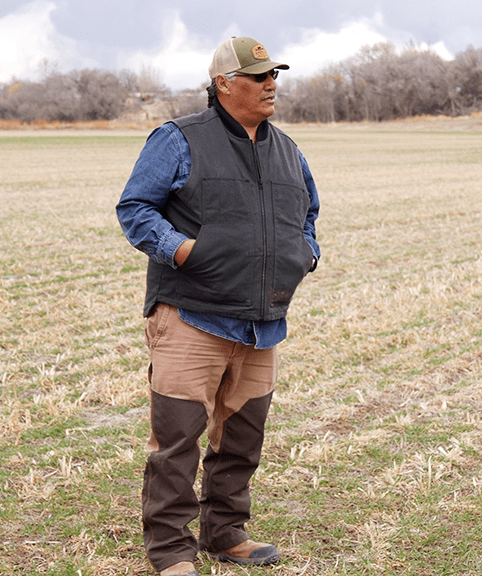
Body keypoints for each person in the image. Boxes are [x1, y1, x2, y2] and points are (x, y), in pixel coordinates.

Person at [116, 36, 320, 576]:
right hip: (192, 314)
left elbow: (308, 215)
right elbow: (135, 207)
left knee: (243, 437)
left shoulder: (288, 150)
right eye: (258, 76)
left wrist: (306, 255)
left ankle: (224, 532)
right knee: (177, 440)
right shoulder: (178, 139)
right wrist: (183, 251)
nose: (271, 83)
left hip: (261, 323)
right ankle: (170, 550)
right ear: (224, 84)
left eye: (274, 74)